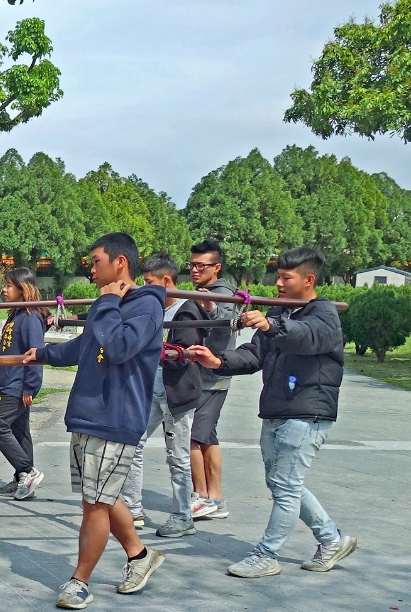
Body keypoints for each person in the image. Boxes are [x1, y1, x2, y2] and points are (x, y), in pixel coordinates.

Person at [186, 247, 357, 578]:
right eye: (277, 276)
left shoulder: (323, 314)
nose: (278, 283)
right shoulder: (281, 313)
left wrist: (270, 326)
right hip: (276, 410)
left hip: (307, 414)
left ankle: (267, 554)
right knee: (282, 484)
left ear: (308, 280)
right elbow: (254, 355)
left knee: (286, 485)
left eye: (285, 278)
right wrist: (217, 361)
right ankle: (331, 539)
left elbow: (306, 338)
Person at [25, 233, 167, 610]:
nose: (91, 269)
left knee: (95, 503)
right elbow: (86, 345)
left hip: (115, 416)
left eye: (96, 261)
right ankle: (139, 556)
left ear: (120, 262)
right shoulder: (113, 303)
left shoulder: (145, 304)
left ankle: (80, 581)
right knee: (102, 495)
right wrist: (42, 353)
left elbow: (118, 347)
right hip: (90, 414)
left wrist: (106, 302)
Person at [118, 252, 206, 538]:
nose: (144, 287)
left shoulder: (187, 310)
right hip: (150, 390)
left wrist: (147, 349)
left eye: (149, 282)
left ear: (166, 281)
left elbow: (184, 353)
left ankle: (183, 517)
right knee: (131, 443)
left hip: (177, 393)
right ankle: (133, 508)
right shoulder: (151, 307)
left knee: (178, 457)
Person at [0, 267, 47, 500]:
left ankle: (28, 471)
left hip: (18, 384)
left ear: (23, 289)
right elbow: (11, 344)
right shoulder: (17, 314)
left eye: (9, 285)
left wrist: (31, 387)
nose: (4, 289)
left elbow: (36, 354)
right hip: (12, 381)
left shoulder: (30, 317)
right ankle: (21, 480)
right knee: (20, 432)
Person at [187, 239, 237, 520]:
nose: (195, 269)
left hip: (212, 377)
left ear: (216, 267)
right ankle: (215, 498)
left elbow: (225, 318)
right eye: (192, 264)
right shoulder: (203, 291)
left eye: (201, 265)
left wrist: (210, 306)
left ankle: (202, 496)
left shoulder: (223, 293)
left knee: (192, 436)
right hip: (204, 376)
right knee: (207, 436)